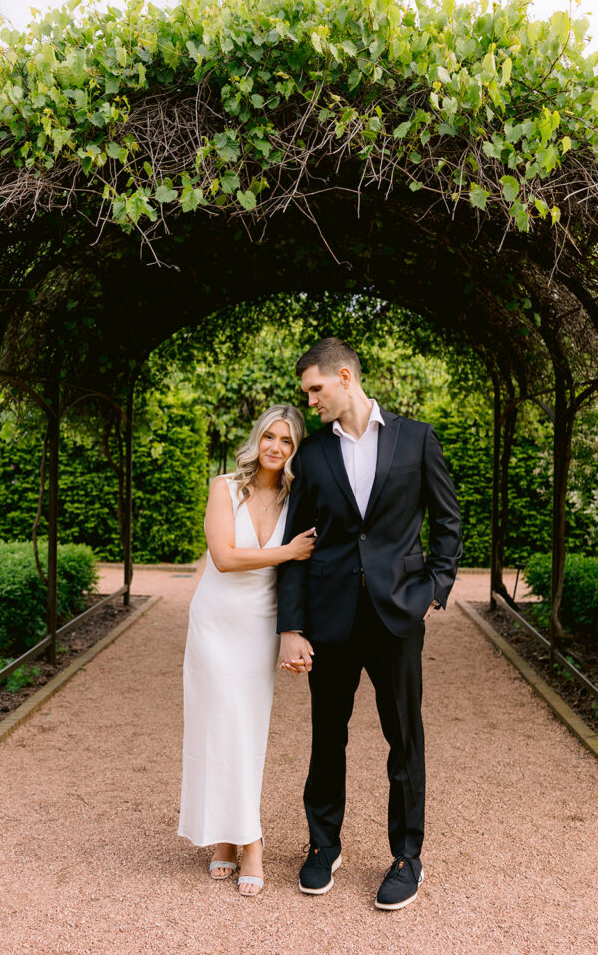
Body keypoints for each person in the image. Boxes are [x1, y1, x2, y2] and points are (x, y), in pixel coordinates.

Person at [277, 338, 462, 910]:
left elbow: (448, 521)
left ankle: (407, 855)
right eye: (307, 393)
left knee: (404, 738)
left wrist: (436, 585)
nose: (310, 402)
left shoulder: (417, 438)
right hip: (330, 619)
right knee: (327, 737)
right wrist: (292, 625)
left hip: (397, 616)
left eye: (315, 390)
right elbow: (295, 546)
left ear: (345, 376)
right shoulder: (309, 457)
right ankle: (323, 846)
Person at [178, 404, 315, 896]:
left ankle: (240, 839)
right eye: (269, 437)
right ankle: (235, 839)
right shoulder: (224, 487)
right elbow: (224, 557)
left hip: (260, 623)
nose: (275, 447)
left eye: (287, 441)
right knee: (217, 726)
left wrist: (297, 632)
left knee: (247, 728)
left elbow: (306, 570)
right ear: (257, 440)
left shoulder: (297, 498)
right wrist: (288, 550)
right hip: (214, 621)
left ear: (295, 450)